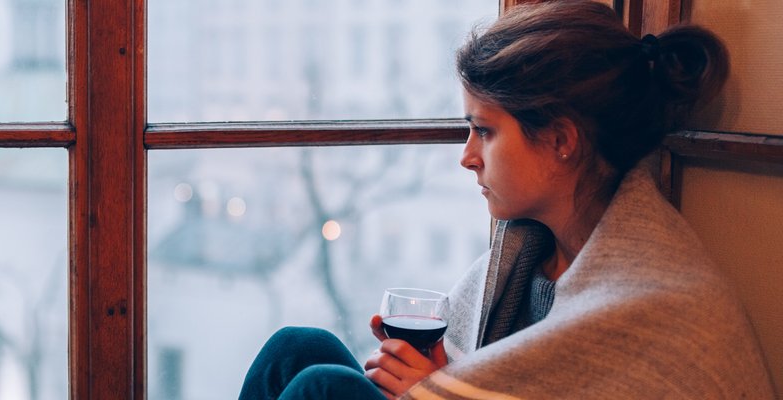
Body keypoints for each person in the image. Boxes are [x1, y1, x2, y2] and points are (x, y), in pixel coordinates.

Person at [238, 1, 775, 399]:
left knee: (323, 389)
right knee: (296, 349)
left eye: (485, 131)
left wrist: (440, 389)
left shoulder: (663, 304)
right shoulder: (525, 254)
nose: (467, 157)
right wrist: (443, 376)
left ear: (562, 141)